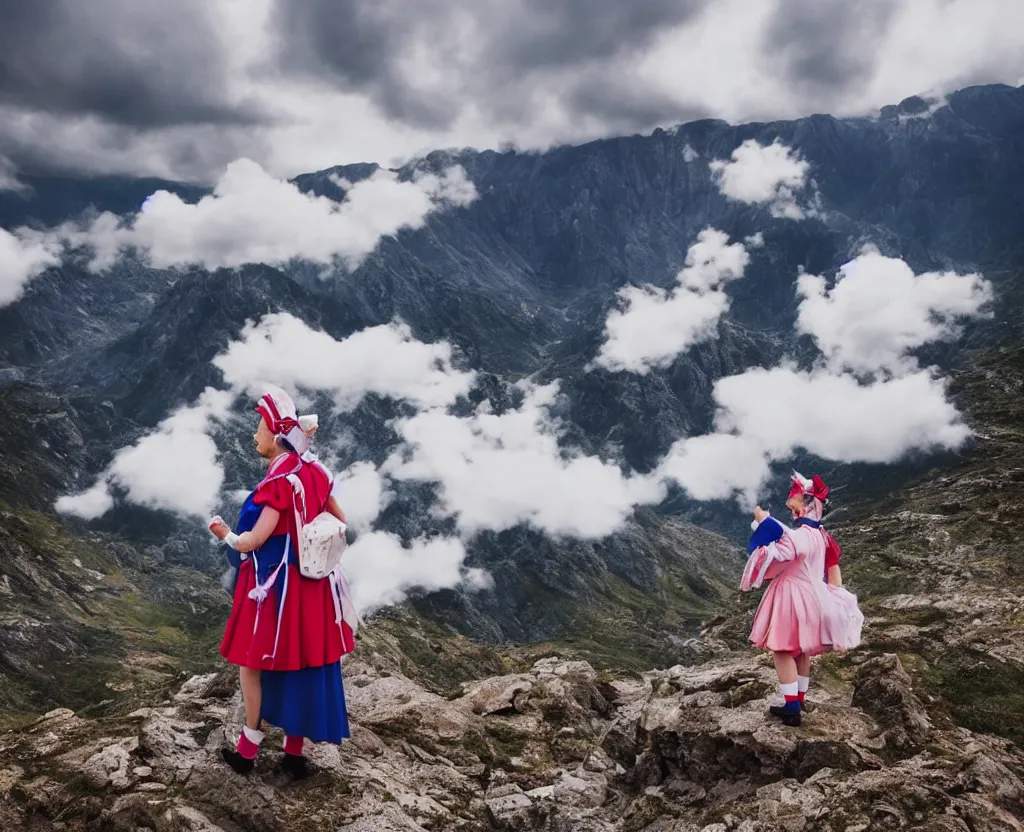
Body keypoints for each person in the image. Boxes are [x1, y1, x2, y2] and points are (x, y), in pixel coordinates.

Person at [208, 386, 356, 777]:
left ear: (276, 439)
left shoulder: (279, 483)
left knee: (251, 666)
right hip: (315, 587)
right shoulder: (317, 473)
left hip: (275, 589)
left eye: (259, 430)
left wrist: (222, 531)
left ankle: (246, 752)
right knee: (302, 665)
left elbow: (252, 541)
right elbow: (341, 523)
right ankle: (293, 757)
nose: (255, 436)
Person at [741, 472, 863, 727]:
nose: (792, 507)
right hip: (811, 595)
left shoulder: (803, 535)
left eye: (795, 501)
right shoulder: (822, 535)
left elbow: (787, 551)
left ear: (808, 505)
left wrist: (763, 520)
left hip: (791, 594)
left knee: (782, 648)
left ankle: (791, 706)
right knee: (801, 649)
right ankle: (799, 698)